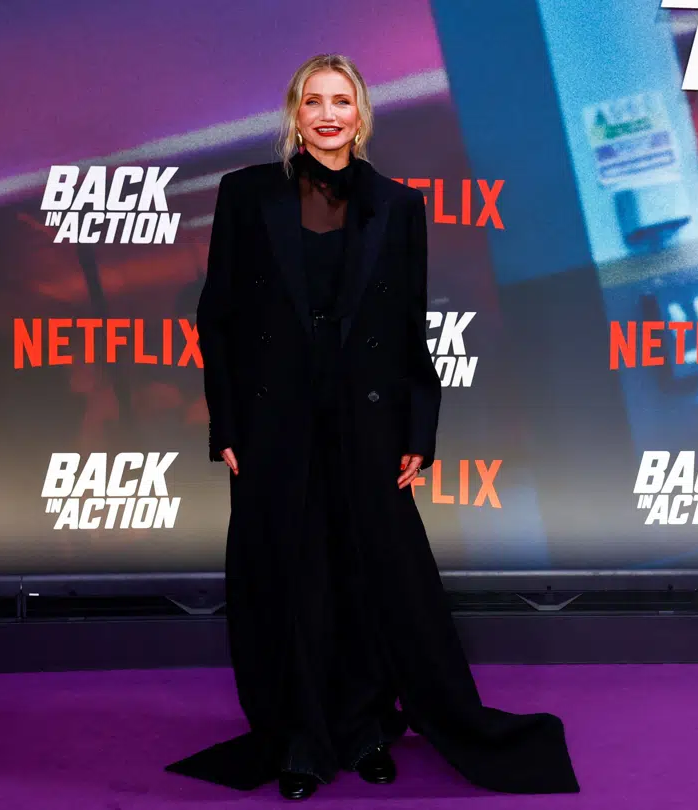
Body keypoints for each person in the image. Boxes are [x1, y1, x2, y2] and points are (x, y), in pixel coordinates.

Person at [166, 54, 579, 801]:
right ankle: (300, 737)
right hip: (273, 422)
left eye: (342, 101)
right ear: (295, 113)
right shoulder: (245, 194)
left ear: (362, 115)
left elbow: (407, 328)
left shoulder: (397, 204)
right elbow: (217, 317)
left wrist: (420, 432)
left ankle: (362, 729)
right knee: (290, 577)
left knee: (367, 576)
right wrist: (226, 421)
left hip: (369, 420)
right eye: (314, 101)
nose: (329, 114)